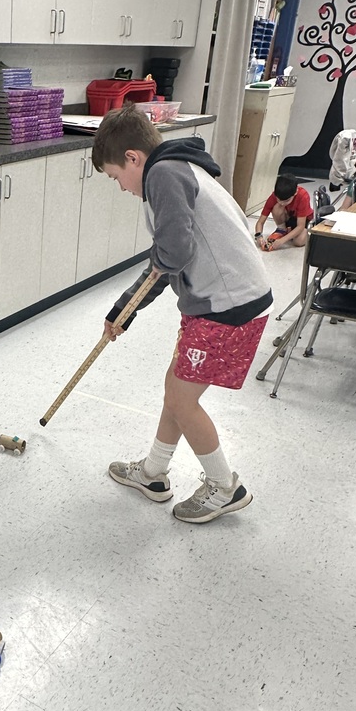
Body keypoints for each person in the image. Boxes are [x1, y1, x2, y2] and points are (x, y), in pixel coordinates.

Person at [91, 104, 273, 524]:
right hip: (222, 300)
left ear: (133, 158)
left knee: (181, 398)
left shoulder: (163, 174)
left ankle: (225, 486)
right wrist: (125, 309)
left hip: (226, 307)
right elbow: (169, 258)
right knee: (177, 386)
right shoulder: (173, 167)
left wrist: (127, 307)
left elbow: (172, 254)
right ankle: (153, 473)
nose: (120, 187)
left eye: (117, 176)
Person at [254, 174, 313, 251]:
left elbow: (300, 226)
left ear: (295, 192)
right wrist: (259, 236)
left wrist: (282, 241)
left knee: (298, 242)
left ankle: (302, 233)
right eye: (279, 199)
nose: (282, 203)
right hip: (289, 218)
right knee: (277, 207)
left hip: (305, 221)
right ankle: (282, 229)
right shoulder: (274, 196)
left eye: (286, 200)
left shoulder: (303, 196)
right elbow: (260, 222)